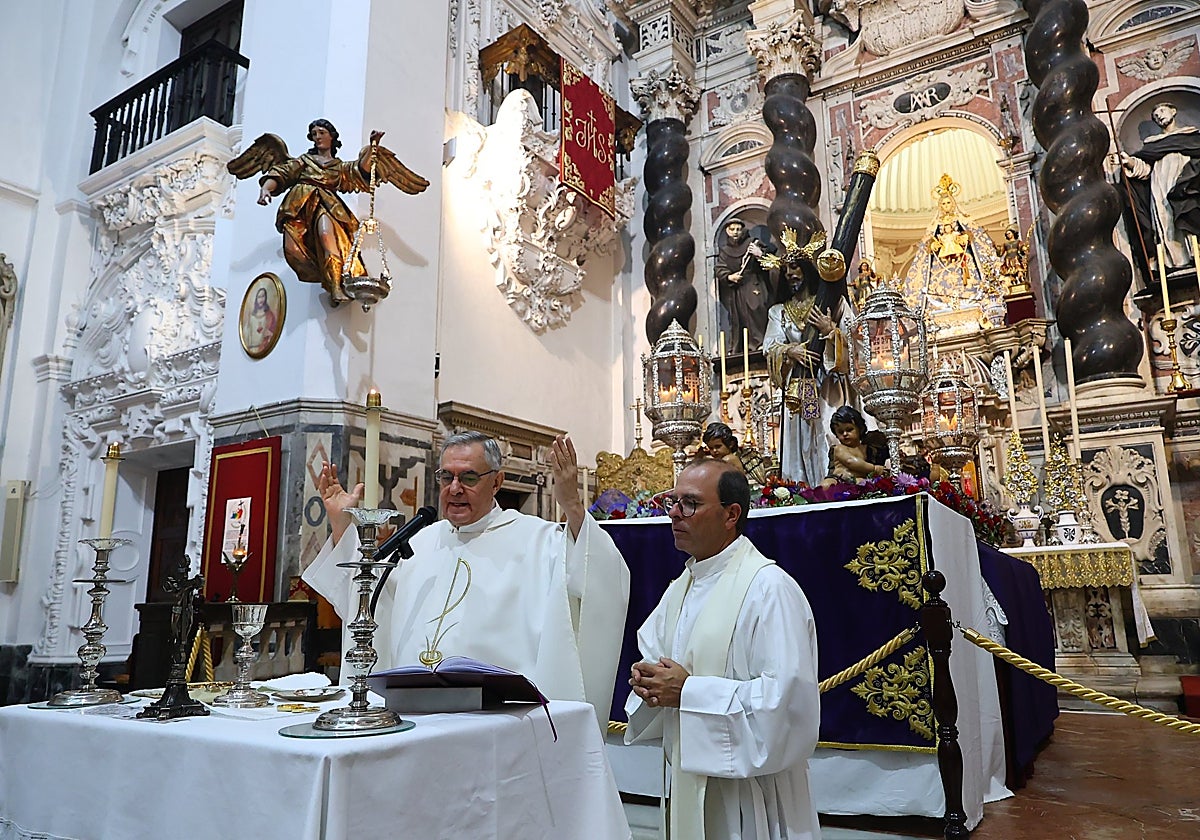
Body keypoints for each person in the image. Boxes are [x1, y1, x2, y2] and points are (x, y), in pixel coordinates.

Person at [302, 431, 630, 727]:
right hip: (414, 718)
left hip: (501, 722)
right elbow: (371, 601)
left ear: (497, 482)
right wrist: (342, 525)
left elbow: (599, 580)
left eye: (469, 477)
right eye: (447, 476)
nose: (455, 488)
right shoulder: (419, 541)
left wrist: (572, 505)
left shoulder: (538, 540)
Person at [625, 459, 821, 840]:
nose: (674, 514)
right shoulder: (681, 587)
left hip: (752, 796)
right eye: (673, 502)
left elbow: (787, 703)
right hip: (690, 778)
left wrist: (688, 692)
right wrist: (647, 681)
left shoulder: (769, 589)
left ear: (731, 515)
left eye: (690, 504)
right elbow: (657, 659)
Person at [227, 120, 429, 303]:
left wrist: (373, 147)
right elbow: (282, 173)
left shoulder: (339, 167)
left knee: (326, 236)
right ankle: (326, 275)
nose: (317, 137)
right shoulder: (304, 161)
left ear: (332, 136)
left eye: (321, 133)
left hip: (326, 205)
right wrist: (265, 189)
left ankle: (335, 285)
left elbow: (361, 171)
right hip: (298, 208)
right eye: (314, 134)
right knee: (292, 249)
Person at [763, 266, 853, 486]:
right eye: (786, 269)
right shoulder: (779, 312)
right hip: (798, 385)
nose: (790, 273)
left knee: (828, 432)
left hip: (828, 383)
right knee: (800, 439)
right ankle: (803, 488)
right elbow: (770, 346)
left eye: (796, 267)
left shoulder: (833, 302)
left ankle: (836, 484)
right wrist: (789, 350)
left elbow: (855, 337)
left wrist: (830, 331)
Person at [1121, 101, 1200, 269]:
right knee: (1166, 221)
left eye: (1162, 111)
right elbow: (1146, 170)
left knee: (1189, 214)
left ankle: (1196, 253)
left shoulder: (1191, 136)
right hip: (1160, 188)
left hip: (1185, 184)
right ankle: (1178, 261)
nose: (1159, 116)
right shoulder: (1152, 144)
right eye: (1156, 116)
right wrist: (1130, 162)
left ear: (1173, 111)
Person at [715, 219, 775, 353]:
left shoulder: (752, 243)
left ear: (743, 230)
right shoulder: (725, 251)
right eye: (732, 229)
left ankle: (761, 342)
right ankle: (745, 346)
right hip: (737, 289)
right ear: (727, 231)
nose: (735, 232)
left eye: (738, 229)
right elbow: (720, 268)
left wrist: (759, 254)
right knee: (740, 317)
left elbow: (772, 259)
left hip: (754, 283)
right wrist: (729, 276)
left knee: (757, 310)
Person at [823, 405, 888, 485]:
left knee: (863, 483)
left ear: (860, 428)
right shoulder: (839, 448)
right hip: (840, 479)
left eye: (849, 430)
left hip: (857, 479)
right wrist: (874, 469)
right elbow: (850, 461)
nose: (845, 434)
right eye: (840, 432)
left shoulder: (866, 448)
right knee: (827, 484)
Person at [244, 287, 278, 354]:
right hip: (252, 350)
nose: (261, 299)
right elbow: (246, 335)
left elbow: (274, 332)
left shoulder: (270, 315)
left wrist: (270, 334)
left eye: (263, 296)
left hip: (265, 349)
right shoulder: (251, 317)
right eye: (259, 297)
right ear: (256, 299)